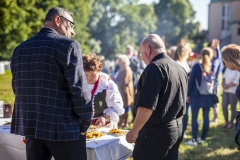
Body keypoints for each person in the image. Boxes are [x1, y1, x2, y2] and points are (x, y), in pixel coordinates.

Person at [10, 7, 92, 160]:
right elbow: (79, 90)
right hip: (64, 128)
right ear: (57, 20)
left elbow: (17, 88)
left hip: (32, 126)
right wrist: (85, 123)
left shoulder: (19, 49)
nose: (73, 32)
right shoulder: (69, 46)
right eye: (71, 25)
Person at [126, 34, 187, 160]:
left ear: (148, 49)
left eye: (141, 52)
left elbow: (147, 107)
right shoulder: (179, 67)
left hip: (155, 134)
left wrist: (134, 131)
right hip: (176, 129)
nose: (141, 57)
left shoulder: (154, 68)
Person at [82, 53, 124, 128]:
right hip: (82, 127)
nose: (88, 78)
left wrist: (105, 118)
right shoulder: (78, 83)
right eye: (86, 74)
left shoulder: (107, 85)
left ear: (99, 71)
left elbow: (117, 109)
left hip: (102, 126)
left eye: (92, 75)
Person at [185, 47, 215, 146]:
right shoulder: (212, 66)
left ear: (201, 55)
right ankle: (203, 138)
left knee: (194, 118)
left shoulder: (197, 66)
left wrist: (188, 94)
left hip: (197, 95)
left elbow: (191, 81)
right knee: (206, 117)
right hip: (208, 95)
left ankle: (194, 139)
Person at [174, 44, 191, 138]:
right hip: (181, 93)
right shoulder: (177, 63)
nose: (189, 53)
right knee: (180, 114)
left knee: (185, 114)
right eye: (187, 51)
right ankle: (179, 132)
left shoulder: (185, 63)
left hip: (186, 92)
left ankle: (182, 131)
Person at [115, 55, 134, 128]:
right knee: (121, 107)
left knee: (125, 108)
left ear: (123, 62)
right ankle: (121, 122)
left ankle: (125, 123)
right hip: (121, 91)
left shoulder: (127, 70)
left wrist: (115, 83)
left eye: (120, 61)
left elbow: (124, 82)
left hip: (125, 92)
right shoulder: (122, 69)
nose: (119, 63)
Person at [209, 39, 223, 124]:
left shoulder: (216, 60)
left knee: (214, 102)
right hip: (212, 84)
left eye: (211, 49)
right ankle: (213, 118)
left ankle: (215, 119)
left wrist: (217, 48)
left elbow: (218, 57)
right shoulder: (214, 60)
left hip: (214, 84)